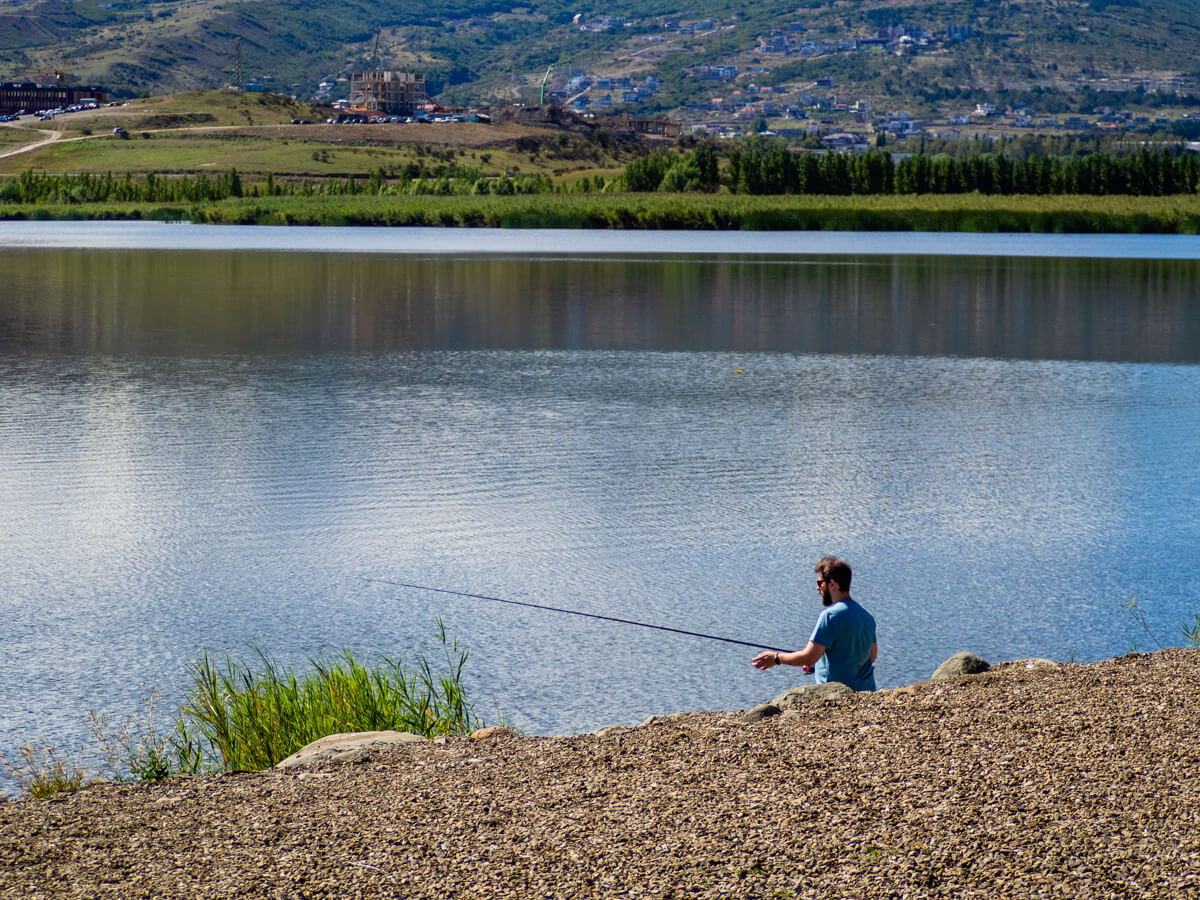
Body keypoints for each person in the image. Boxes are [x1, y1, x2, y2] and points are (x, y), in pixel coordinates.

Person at [751, 556, 877, 691]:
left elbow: (809, 657)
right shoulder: (867, 617)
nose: (817, 588)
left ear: (833, 584)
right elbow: (872, 656)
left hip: (838, 696)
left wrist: (776, 658)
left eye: (820, 583)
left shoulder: (830, 616)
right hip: (866, 693)